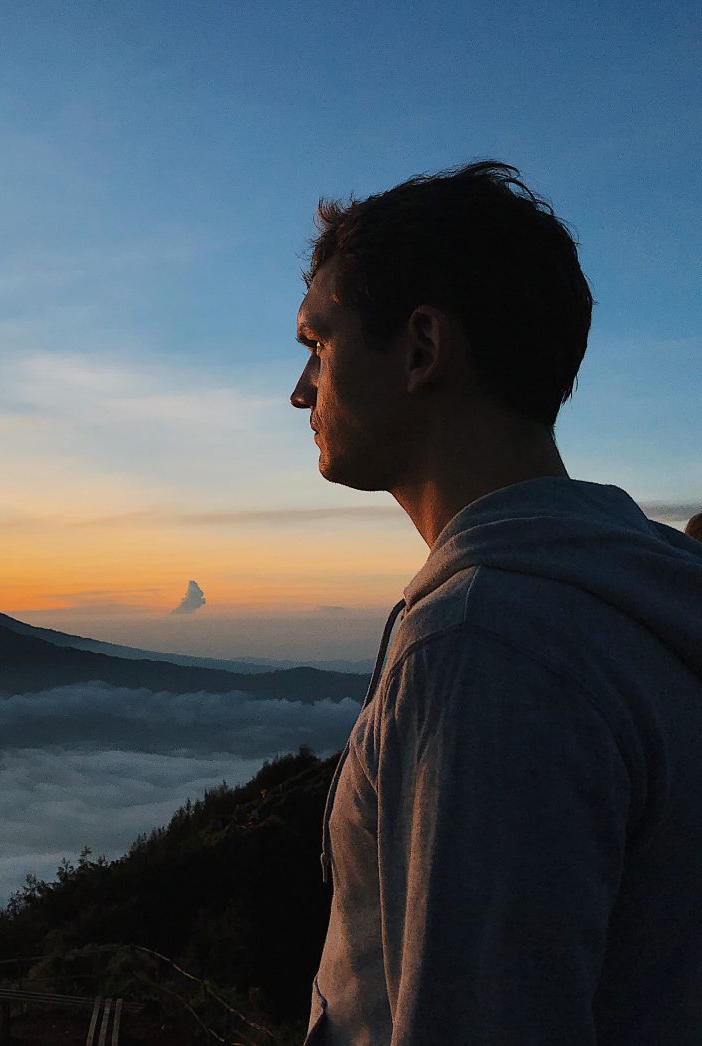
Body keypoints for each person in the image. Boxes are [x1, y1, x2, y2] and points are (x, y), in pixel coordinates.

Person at [288, 160, 702, 1045]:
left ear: (422, 349)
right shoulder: (637, 593)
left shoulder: (485, 644)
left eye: (317, 344)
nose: (299, 391)